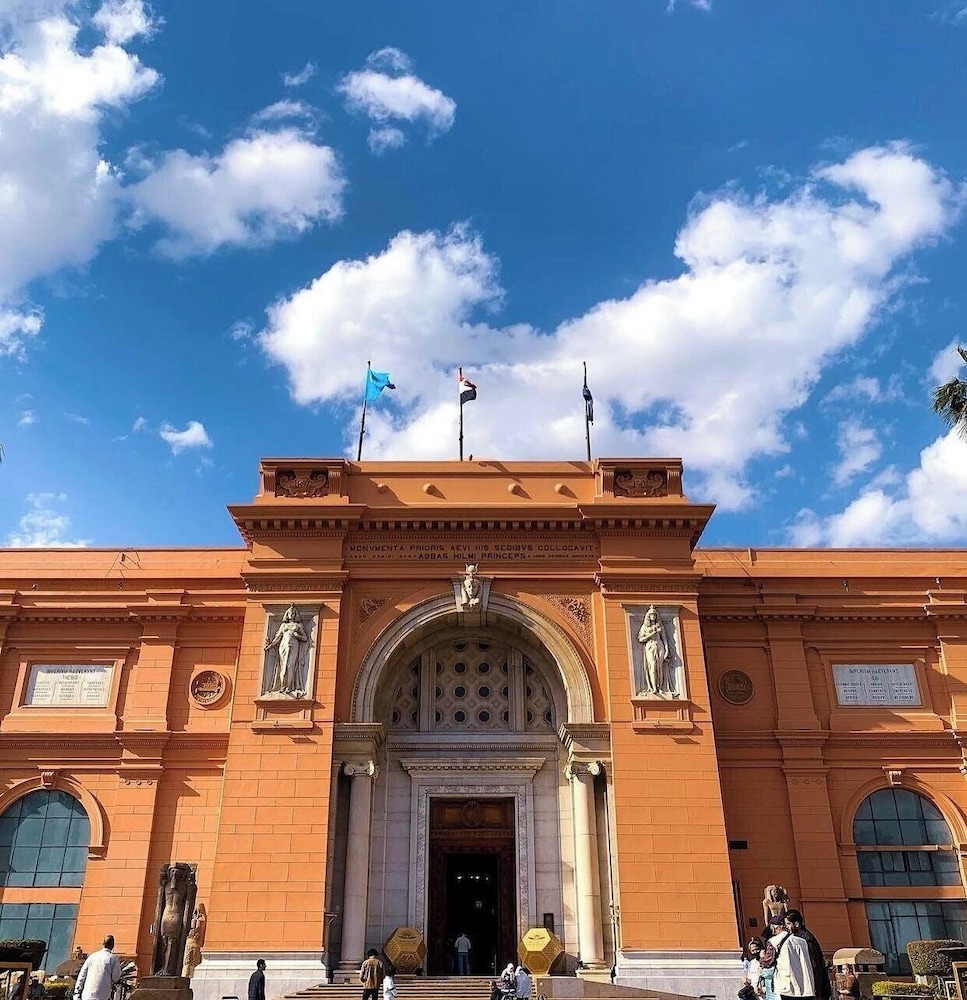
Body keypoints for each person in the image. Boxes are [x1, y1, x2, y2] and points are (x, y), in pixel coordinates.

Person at [768, 909, 831, 1000]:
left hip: (808, 987)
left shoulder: (803, 939)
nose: (786, 927)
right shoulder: (794, 937)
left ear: (796, 924)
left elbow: (814, 963)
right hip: (803, 987)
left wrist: (817, 988)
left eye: (788, 924)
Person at [264, 604, 309, 695]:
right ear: (287, 614)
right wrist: (270, 645)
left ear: (295, 615)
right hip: (283, 646)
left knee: (290, 665)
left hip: (294, 646)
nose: (291, 615)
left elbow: (305, 638)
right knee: (283, 666)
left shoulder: (298, 625)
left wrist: (297, 635)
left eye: (293, 613)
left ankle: (289, 687)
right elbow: (277, 637)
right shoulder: (283, 625)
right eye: (289, 613)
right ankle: (282, 686)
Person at [73, 936, 122, 1000]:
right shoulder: (113, 959)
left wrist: (76, 994)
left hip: (87, 996)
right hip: (102, 995)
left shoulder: (92, 957)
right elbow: (115, 977)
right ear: (112, 946)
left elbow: (82, 975)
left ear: (103, 944)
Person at [637, 605, 671, 695]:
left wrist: (667, 650)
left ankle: (660, 687)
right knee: (652, 666)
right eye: (651, 614)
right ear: (648, 616)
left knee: (660, 667)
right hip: (650, 646)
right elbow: (640, 639)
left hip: (660, 645)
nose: (653, 616)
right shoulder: (644, 627)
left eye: (655, 615)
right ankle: (654, 688)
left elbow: (664, 639)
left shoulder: (660, 626)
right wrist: (652, 634)